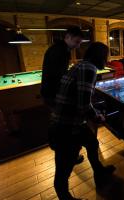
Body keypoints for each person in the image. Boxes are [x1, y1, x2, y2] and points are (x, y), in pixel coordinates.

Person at [49, 42, 116, 200]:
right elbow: (84, 105)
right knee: (64, 168)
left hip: (68, 120)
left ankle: (99, 171)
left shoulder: (82, 65)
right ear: (99, 56)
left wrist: (94, 112)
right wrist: (98, 116)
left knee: (92, 143)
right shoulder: (89, 69)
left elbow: (82, 99)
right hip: (66, 125)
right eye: (106, 56)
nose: (106, 60)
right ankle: (65, 197)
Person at [41, 26, 85, 165]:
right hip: (53, 93)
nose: (78, 46)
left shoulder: (59, 49)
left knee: (59, 124)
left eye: (79, 43)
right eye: (76, 42)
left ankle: (66, 155)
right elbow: (58, 76)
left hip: (50, 92)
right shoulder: (60, 52)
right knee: (64, 126)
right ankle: (68, 157)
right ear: (67, 37)